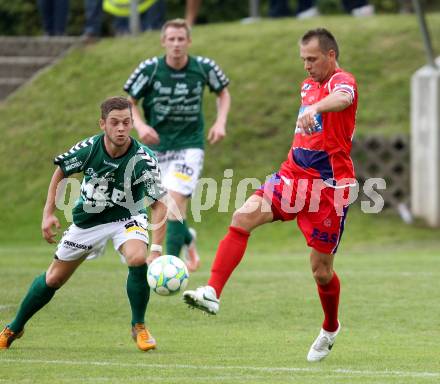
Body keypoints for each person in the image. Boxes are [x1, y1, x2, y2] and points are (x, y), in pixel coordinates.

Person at [183, 28, 358, 363]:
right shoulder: (306, 85)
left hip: (329, 188)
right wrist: (311, 112)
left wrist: (318, 108)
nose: (306, 66)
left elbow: (344, 98)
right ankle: (212, 292)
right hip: (292, 175)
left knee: (321, 271)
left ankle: (330, 327)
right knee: (241, 217)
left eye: (312, 59)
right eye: (303, 59)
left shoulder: (341, 80)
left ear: (331, 55)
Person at [0, 96, 168, 351]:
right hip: (88, 222)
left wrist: (155, 251)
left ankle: (139, 326)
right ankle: (14, 327)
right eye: (114, 123)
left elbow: (158, 204)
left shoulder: (144, 159)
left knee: (136, 259)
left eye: (126, 122)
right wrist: (48, 213)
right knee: (53, 279)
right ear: (102, 124)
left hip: (128, 217)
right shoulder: (89, 148)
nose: (121, 128)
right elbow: (61, 171)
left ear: (132, 123)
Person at [123, 19, 231, 272]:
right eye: (171, 39)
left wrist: (220, 122)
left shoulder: (204, 68)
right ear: (163, 42)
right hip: (157, 148)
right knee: (158, 206)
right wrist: (140, 126)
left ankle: (164, 262)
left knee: (172, 200)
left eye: (181, 39)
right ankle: (186, 238)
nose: (176, 44)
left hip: (189, 146)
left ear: (189, 41)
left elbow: (223, 92)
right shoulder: (149, 69)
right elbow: (130, 101)